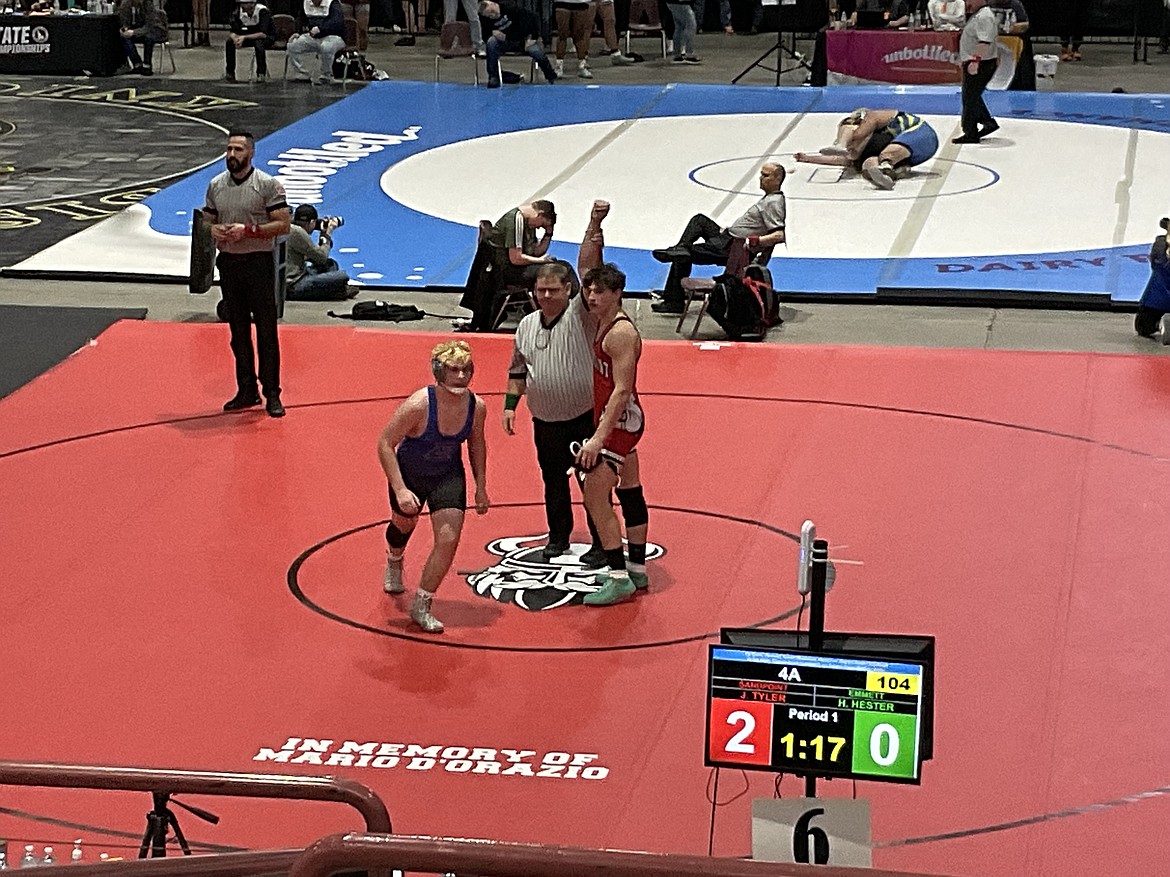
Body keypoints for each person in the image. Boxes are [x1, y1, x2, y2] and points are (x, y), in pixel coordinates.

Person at [377, 340, 490, 633]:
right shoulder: (419, 405)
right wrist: (400, 488)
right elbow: (385, 444)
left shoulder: (476, 406)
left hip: (447, 475)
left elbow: (476, 443)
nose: (461, 377)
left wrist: (481, 486)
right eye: (454, 370)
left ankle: (422, 603)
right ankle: (394, 558)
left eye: (466, 369)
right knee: (403, 525)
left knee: (449, 538)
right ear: (439, 371)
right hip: (411, 474)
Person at [503, 252, 606, 565]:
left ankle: (602, 541)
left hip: (582, 419)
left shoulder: (581, 316)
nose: (546, 295)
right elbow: (518, 369)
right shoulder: (525, 325)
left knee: (592, 483)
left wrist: (594, 227)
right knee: (553, 482)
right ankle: (558, 537)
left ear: (569, 291)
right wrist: (510, 406)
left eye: (553, 290)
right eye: (541, 290)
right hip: (545, 421)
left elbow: (590, 268)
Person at [203, 131, 292, 418]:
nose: (232, 154)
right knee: (237, 332)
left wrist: (249, 230)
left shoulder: (267, 185)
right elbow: (206, 221)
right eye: (229, 149)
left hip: (258, 263)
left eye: (238, 149)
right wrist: (212, 230)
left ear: (251, 153)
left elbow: (283, 225)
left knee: (266, 331)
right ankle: (246, 389)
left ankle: (272, 393)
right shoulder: (216, 185)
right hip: (230, 264)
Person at [576, 263, 649, 606]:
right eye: (589, 290)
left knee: (594, 493)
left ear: (617, 293)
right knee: (630, 488)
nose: (592, 296)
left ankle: (619, 577)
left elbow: (622, 391)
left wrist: (597, 439)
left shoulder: (619, 333)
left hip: (620, 421)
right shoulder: (604, 321)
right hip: (620, 419)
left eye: (600, 291)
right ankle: (636, 568)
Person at [650, 163, 787, 314]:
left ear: (777, 178)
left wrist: (754, 241)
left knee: (683, 255)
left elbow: (779, 235)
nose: (761, 179)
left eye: (765, 175)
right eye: (761, 174)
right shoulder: (769, 199)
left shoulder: (773, 203)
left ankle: (674, 301)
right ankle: (680, 249)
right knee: (699, 221)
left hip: (734, 249)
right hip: (728, 238)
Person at [459, 199, 557, 331]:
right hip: (504, 272)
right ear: (539, 215)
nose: (540, 228)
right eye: (542, 224)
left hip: (513, 266)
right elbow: (516, 258)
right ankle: (553, 314)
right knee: (550, 273)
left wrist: (548, 234)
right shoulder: (516, 221)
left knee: (556, 268)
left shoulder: (529, 222)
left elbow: (536, 252)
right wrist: (541, 261)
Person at [797, 109, 939, 190]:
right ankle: (888, 173)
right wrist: (808, 158)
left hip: (918, 132)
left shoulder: (870, 120)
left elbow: (871, 119)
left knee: (885, 153)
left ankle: (843, 145)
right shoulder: (863, 149)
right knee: (869, 165)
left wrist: (851, 142)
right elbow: (840, 160)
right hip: (909, 151)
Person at [477, 0, 559, 87]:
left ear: (494, 4)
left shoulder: (512, 10)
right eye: (489, 15)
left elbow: (533, 20)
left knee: (536, 51)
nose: (492, 16)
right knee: (491, 42)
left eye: (492, 12)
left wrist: (533, 38)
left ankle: (551, 76)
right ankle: (493, 77)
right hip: (504, 44)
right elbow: (484, 35)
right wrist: (492, 35)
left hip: (522, 41)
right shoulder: (485, 20)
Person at [286, 205, 356, 301]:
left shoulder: (291, 229)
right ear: (312, 222)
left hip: (297, 275)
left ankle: (334, 291)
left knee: (330, 264)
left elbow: (315, 258)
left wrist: (322, 236)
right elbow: (321, 257)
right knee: (342, 276)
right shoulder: (297, 232)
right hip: (293, 285)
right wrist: (327, 234)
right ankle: (337, 291)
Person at [953, 0, 999, 145]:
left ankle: (970, 132)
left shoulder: (984, 16)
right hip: (978, 62)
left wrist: (975, 61)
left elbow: (985, 41)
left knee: (969, 98)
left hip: (982, 63)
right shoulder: (978, 14)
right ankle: (987, 122)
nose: (966, 4)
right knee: (972, 96)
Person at [288, 0, 346, 84]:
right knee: (293, 45)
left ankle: (326, 75)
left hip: (334, 36)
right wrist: (297, 32)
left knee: (327, 47)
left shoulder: (333, 3)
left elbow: (336, 22)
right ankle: (302, 74)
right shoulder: (306, 3)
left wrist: (321, 28)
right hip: (313, 37)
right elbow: (300, 19)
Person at [1134, 218, 1170, 342]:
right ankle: (1159, 325)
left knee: (1144, 326)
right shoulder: (1160, 250)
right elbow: (1159, 263)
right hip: (1157, 300)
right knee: (1144, 326)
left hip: (1158, 299)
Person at [224, 0, 275, 83]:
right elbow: (233, 31)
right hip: (247, 37)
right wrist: (235, 38)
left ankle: (261, 73)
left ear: (252, 4)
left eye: (244, 4)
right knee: (229, 42)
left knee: (259, 44)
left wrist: (244, 37)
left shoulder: (263, 12)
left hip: (265, 38)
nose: (242, 6)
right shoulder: (238, 13)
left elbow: (263, 34)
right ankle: (230, 73)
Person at [117, 0, 166, 76]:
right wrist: (125, 29)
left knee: (149, 37)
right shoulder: (126, 4)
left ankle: (147, 65)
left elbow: (149, 26)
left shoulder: (149, 5)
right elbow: (124, 20)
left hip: (154, 30)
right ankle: (137, 64)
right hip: (138, 29)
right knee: (124, 38)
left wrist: (134, 32)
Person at [552, 0, 594, 78]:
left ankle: (582, 66)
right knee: (562, 35)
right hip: (562, 3)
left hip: (580, 3)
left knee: (579, 37)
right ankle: (558, 66)